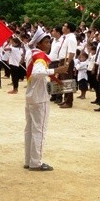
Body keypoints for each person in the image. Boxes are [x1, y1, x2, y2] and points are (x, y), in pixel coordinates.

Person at [24, 27, 68, 171]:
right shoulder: (40, 57)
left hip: (31, 95)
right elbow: (37, 73)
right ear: (38, 44)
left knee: (30, 130)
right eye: (46, 42)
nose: (49, 45)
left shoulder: (31, 54)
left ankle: (29, 160)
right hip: (39, 97)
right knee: (39, 130)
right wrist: (55, 70)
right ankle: (36, 162)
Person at [58, 22, 78, 108]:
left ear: (68, 29)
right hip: (63, 60)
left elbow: (72, 52)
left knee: (68, 81)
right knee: (64, 80)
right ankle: (66, 99)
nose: (62, 27)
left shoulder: (71, 38)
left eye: (64, 26)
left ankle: (69, 102)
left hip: (67, 60)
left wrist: (67, 63)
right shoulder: (66, 37)